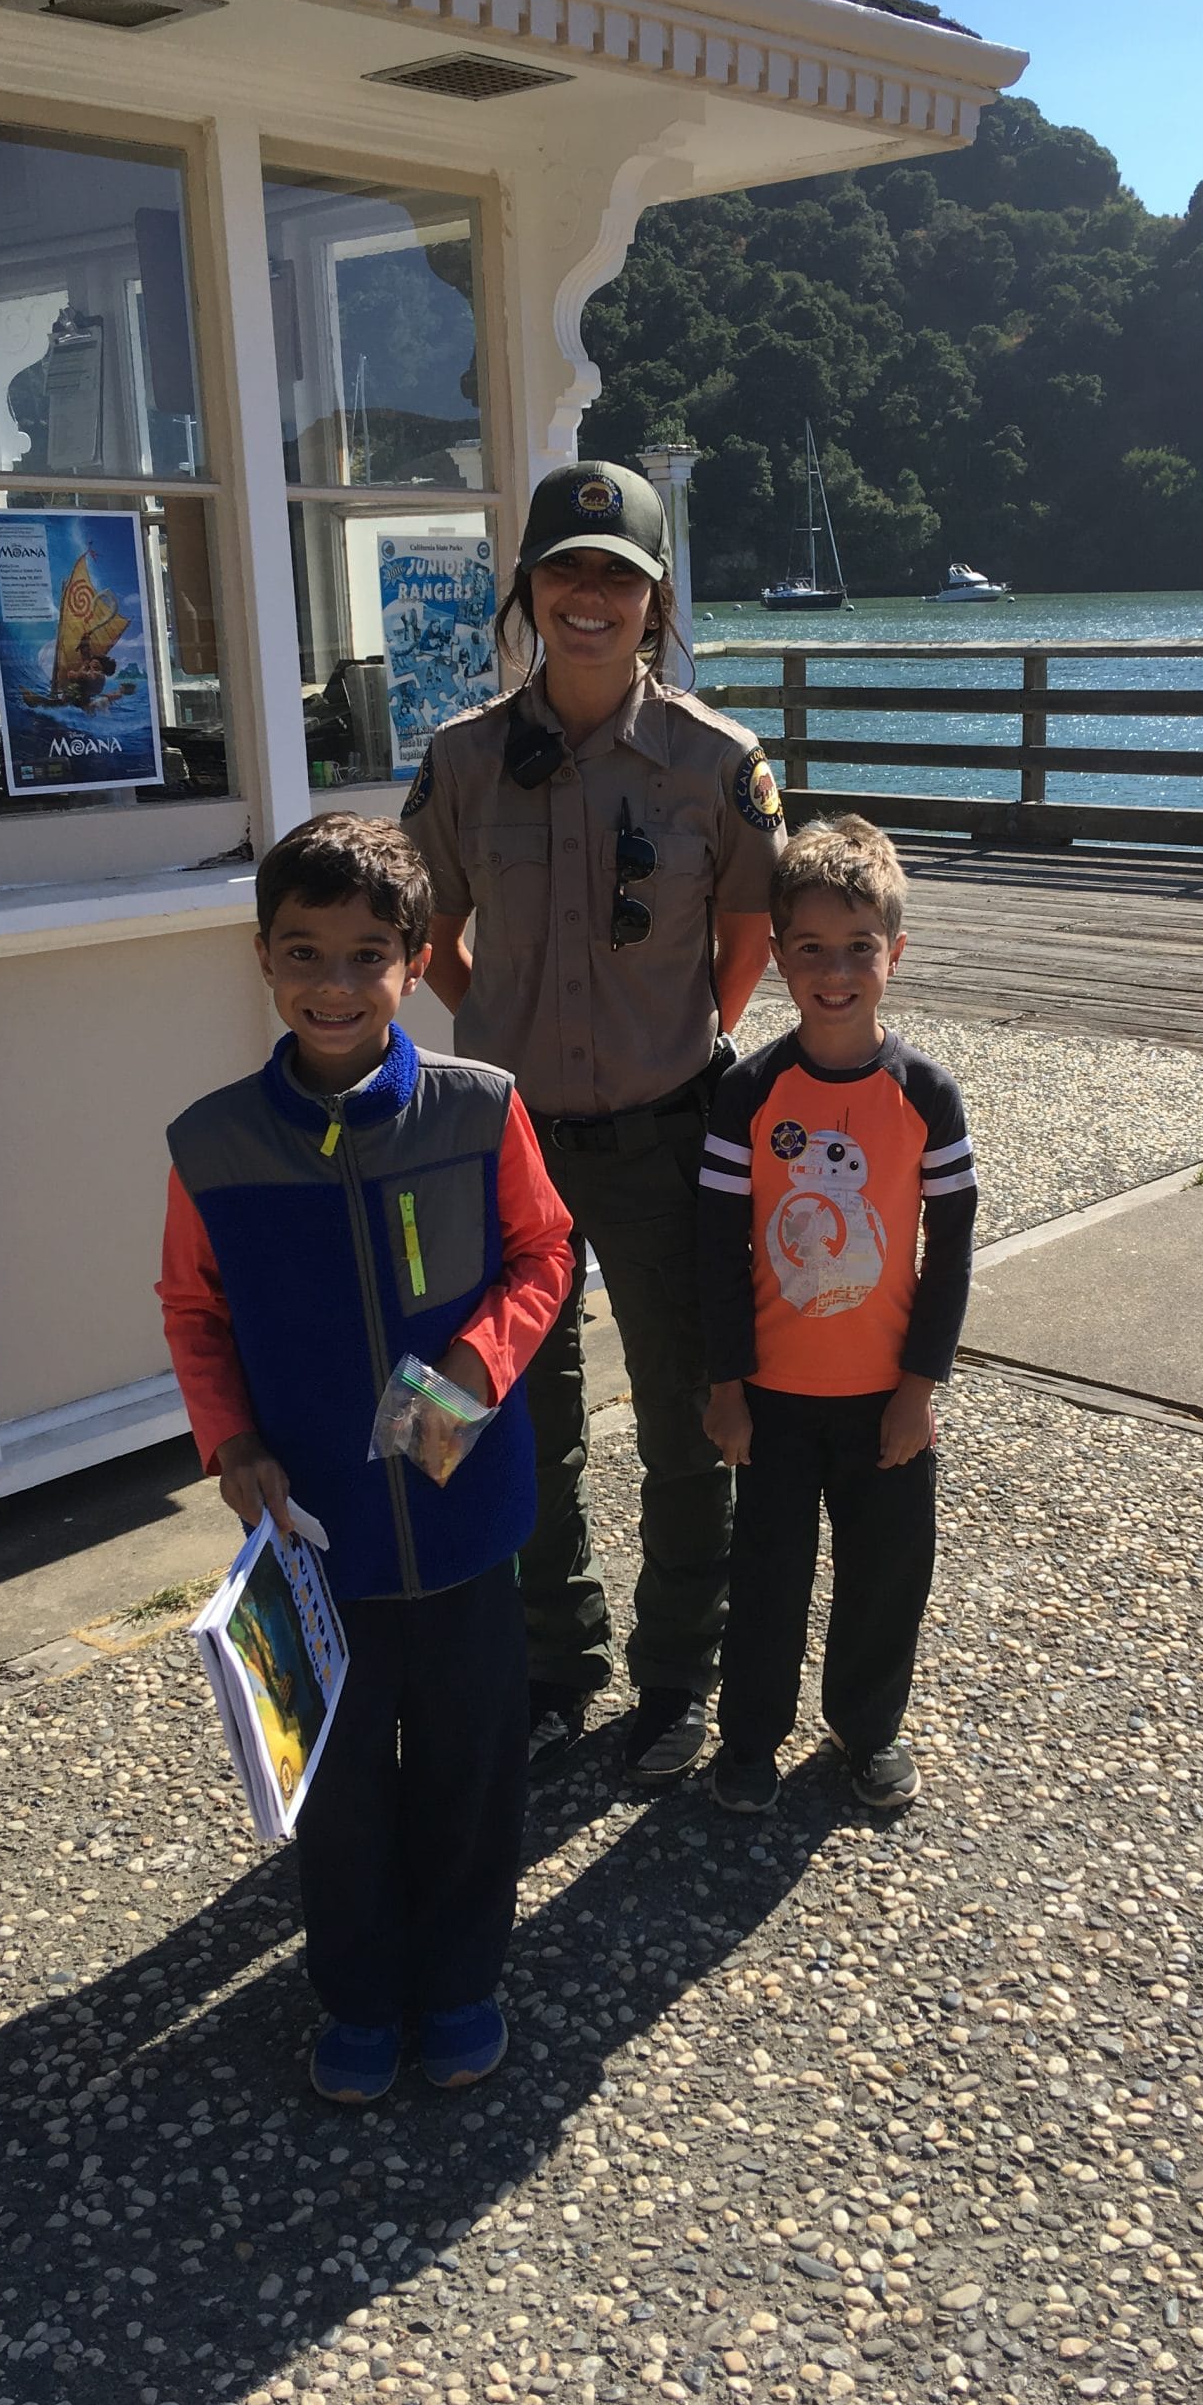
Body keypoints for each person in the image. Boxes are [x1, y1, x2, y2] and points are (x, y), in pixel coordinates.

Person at [156, 814, 573, 2106]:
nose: (332, 986)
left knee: (469, 1773)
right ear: (262, 960)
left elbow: (544, 1255)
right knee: (335, 1800)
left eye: (366, 956)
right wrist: (230, 1444)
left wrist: (479, 1368)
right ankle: (354, 1994)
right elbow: (192, 1311)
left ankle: (458, 1984)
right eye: (302, 953)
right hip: (316, 1548)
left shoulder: (481, 1107)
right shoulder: (212, 1144)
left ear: (418, 959)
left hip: (465, 1536)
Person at [401, 461, 785, 1789]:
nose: (589, 596)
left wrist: (674, 1041)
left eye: (616, 575)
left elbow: (747, 939)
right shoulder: (459, 765)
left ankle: (679, 1674)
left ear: (655, 597)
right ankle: (558, 1669)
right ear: (528, 588)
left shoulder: (714, 766)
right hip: (505, 1147)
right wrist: (489, 1011)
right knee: (519, 1413)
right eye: (565, 570)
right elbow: (424, 935)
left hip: (665, 1135)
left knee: (690, 1412)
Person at [696, 816, 977, 1815]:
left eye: (859, 948)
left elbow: (950, 1254)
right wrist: (726, 1387)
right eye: (810, 948)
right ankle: (750, 1738)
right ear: (776, 957)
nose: (835, 970)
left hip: (883, 1404)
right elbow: (718, 1250)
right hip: (770, 1399)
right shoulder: (748, 1093)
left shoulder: (926, 1098)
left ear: (894, 954)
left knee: (884, 1577)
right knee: (766, 1581)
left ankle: (868, 1729)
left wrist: (919, 1389)